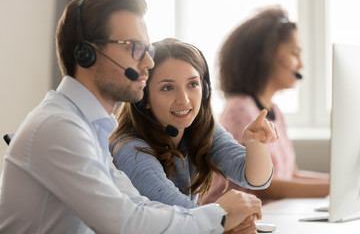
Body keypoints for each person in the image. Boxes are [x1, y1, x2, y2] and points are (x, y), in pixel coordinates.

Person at [0, 0, 265, 233]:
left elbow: (139, 207)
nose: (148, 62)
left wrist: (217, 222)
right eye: (134, 47)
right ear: (87, 54)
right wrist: (219, 215)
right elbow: (125, 223)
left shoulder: (87, 126)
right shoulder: (58, 127)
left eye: (146, 50)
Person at [110, 38, 279, 233]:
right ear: (143, 98)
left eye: (192, 84)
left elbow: (255, 179)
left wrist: (255, 144)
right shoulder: (131, 150)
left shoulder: (200, 129)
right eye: (167, 88)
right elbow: (181, 213)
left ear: (205, 89)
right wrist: (225, 221)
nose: (184, 99)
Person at [203, 7, 329, 205]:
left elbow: (291, 175)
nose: (301, 65)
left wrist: (339, 183)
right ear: (267, 54)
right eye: (295, 54)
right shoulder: (240, 109)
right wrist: (334, 188)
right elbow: (263, 185)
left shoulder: (275, 111)